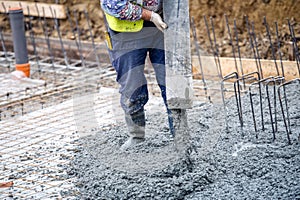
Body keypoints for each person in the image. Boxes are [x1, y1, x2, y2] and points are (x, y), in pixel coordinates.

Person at [100, 0, 173, 150]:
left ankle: (180, 134)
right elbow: (113, 4)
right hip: (126, 31)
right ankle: (137, 136)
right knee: (132, 85)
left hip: (163, 24)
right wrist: (150, 16)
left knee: (172, 82)